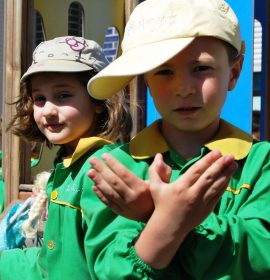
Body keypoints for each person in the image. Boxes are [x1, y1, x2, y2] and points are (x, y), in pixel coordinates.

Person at [87, 0, 270, 278]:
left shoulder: (261, 163)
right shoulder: (115, 168)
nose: (183, 88)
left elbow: (260, 256)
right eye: (164, 71)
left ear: (233, 72)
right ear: (146, 79)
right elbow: (110, 270)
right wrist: (169, 220)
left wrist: (158, 216)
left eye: (200, 69)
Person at [0, 36, 134, 279]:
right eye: (40, 98)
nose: (49, 110)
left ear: (98, 101)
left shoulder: (102, 170)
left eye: (63, 95)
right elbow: (52, 260)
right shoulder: (68, 164)